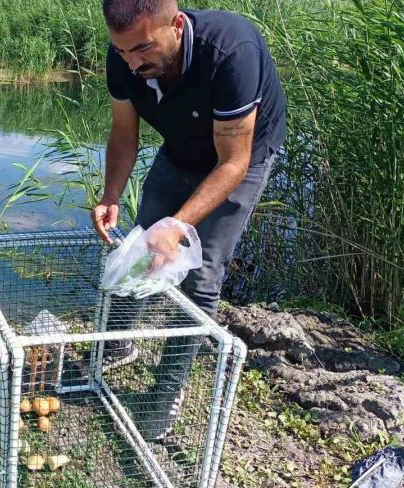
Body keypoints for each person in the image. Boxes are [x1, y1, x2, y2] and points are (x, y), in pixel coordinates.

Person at [92, 0, 287, 440]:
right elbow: (124, 132)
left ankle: (165, 398)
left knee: (200, 275)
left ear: (176, 26)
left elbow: (233, 163)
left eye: (142, 48)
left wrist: (177, 226)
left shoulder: (231, 51)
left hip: (241, 156)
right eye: (123, 51)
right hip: (180, 143)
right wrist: (110, 195)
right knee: (140, 249)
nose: (133, 62)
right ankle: (116, 346)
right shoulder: (123, 54)